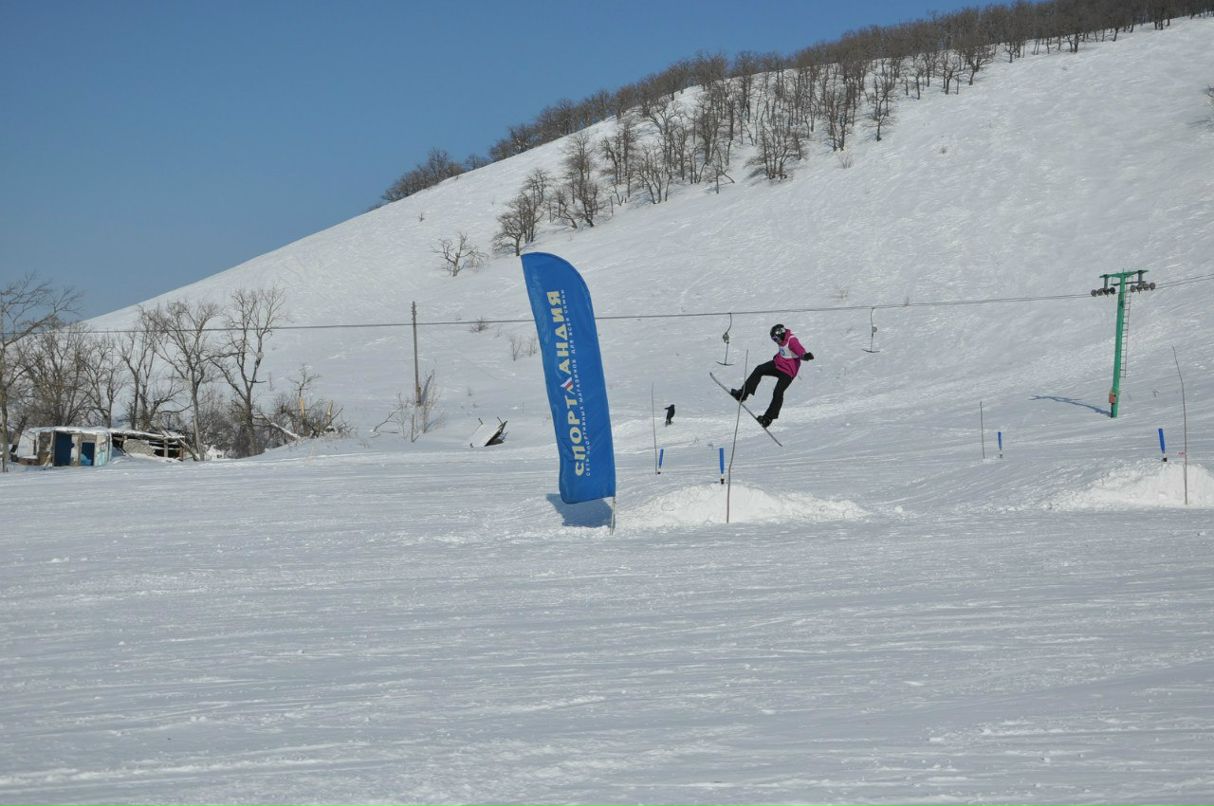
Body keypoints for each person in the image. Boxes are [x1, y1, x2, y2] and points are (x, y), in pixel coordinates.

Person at [731, 324, 813, 427]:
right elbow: (784, 352)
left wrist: (805, 356)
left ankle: (768, 418)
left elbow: (800, 350)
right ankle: (742, 394)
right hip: (778, 365)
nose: (776, 341)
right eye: (773, 339)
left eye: (776, 339)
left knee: (778, 392)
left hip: (788, 372)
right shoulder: (782, 340)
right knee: (759, 369)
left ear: (781, 333)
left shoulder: (792, 340)